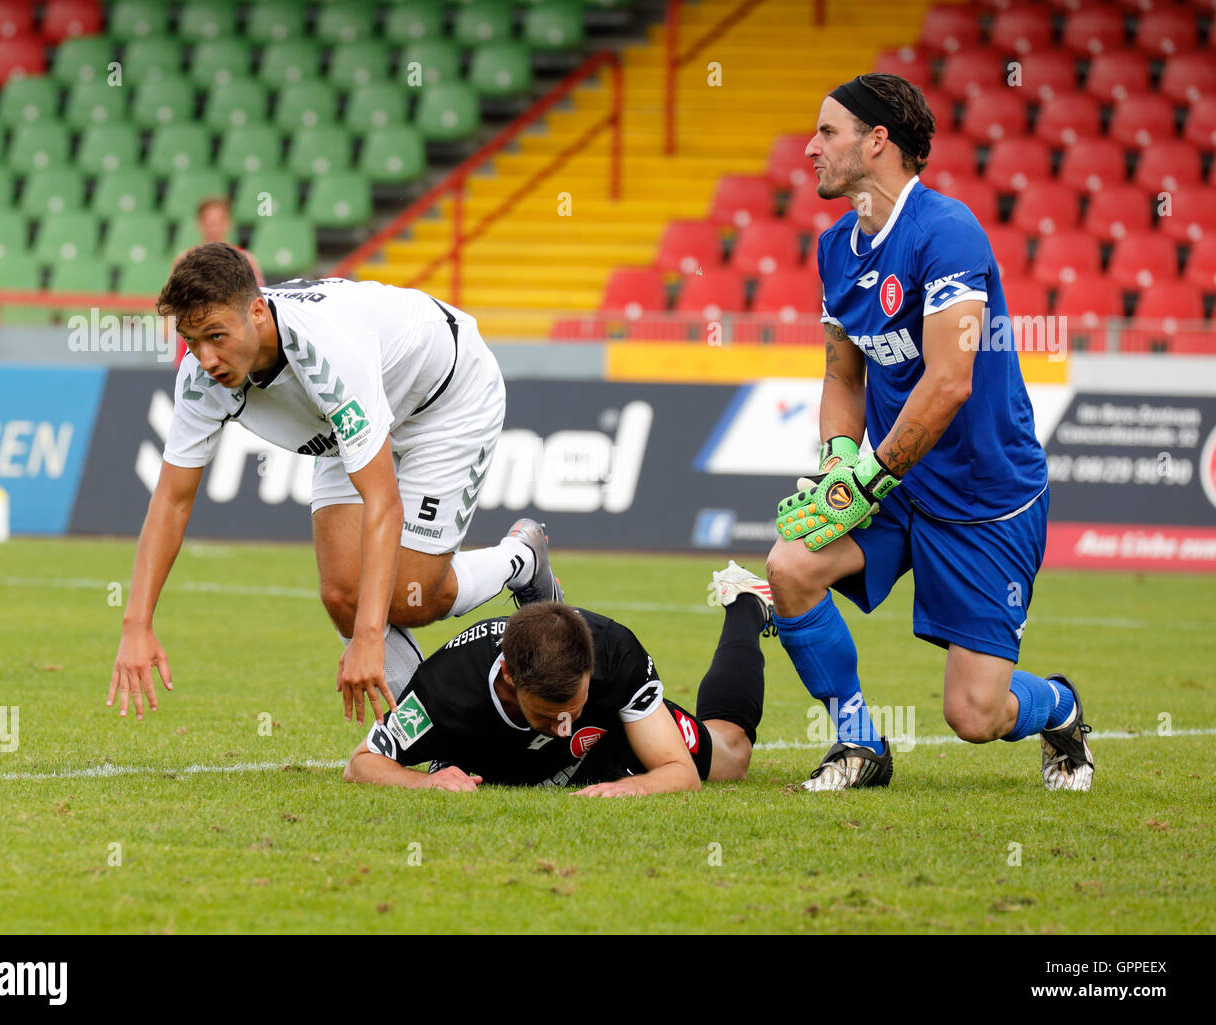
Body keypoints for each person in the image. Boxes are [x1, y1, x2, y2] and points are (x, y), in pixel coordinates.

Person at [765, 73, 1093, 792]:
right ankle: (860, 745)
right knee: (789, 569)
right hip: (895, 483)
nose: (810, 149)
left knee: (974, 715)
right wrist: (838, 463)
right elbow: (844, 377)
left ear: (877, 141)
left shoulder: (947, 232)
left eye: (827, 133)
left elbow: (950, 380)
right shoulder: (833, 250)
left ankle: (1061, 708)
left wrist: (868, 475)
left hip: (984, 494)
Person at [107, 243, 563, 724]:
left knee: (410, 595)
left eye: (216, 336)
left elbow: (382, 502)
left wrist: (369, 637)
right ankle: (432, 732)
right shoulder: (200, 378)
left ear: (257, 311)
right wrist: (136, 624)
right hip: (347, 424)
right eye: (191, 340)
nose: (206, 358)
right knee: (343, 595)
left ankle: (522, 558)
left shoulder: (326, 353)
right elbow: (172, 501)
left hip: (443, 399)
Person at [344, 561, 773, 795]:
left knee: (731, 757)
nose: (564, 728)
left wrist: (632, 790)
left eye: (574, 709)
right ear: (510, 678)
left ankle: (745, 602)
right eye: (548, 716)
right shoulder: (443, 688)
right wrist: (425, 781)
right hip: (502, 758)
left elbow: (681, 774)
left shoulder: (613, 653)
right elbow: (361, 763)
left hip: (614, 738)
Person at [173, 198, 263, 367]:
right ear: (200, 224)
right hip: (192, 347)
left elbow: (257, 304)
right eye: (209, 222)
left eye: (218, 221)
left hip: (232, 346)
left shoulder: (245, 260)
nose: (214, 227)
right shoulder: (184, 261)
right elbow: (173, 307)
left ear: (228, 223)